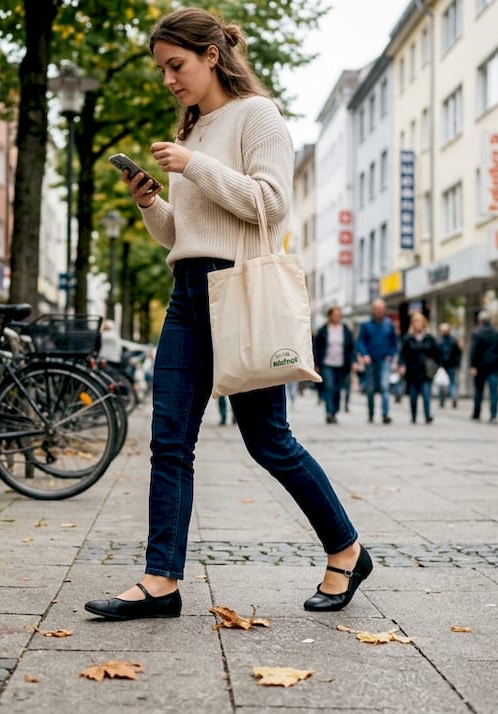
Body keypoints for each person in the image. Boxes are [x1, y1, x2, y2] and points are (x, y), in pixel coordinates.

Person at [84, 6, 370, 621]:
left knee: (269, 441)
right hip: (188, 294)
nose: (168, 80)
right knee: (168, 441)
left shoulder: (257, 116)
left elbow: (270, 204)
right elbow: (183, 235)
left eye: (176, 65)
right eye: (162, 69)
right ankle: (161, 581)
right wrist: (151, 203)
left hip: (239, 291)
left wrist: (197, 167)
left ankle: (346, 548)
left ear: (211, 55)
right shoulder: (190, 130)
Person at [355, 298, 397, 424]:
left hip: (384, 360)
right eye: (377, 309)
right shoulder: (366, 325)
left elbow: (394, 342)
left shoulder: (389, 324)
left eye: (381, 309)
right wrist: (364, 355)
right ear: (373, 310)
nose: (379, 311)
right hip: (370, 361)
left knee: (385, 387)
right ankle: (371, 414)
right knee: (370, 389)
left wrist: (391, 355)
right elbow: (360, 342)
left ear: (384, 310)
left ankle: (385, 414)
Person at [314, 306, 354, 424]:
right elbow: (316, 348)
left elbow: (351, 346)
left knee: (337, 390)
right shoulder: (323, 330)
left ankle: (335, 411)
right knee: (329, 387)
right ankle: (329, 413)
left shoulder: (345, 330)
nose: (337, 317)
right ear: (330, 316)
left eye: (339, 315)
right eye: (335, 315)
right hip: (327, 363)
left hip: (342, 364)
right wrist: (316, 364)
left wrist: (352, 361)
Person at [398, 311, 439, 424]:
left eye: (419, 322)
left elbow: (437, 353)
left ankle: (427, 416)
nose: (418, 325)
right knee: (413, 397)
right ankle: (414, 416)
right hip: (412, 371)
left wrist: (435, 366)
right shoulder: (408, 338)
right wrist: (402, 365)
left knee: (426, 395)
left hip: (426, 372)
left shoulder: (429, 338)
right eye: (415, 322)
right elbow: (402, 354)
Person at [469, 311, 498, 422]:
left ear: (480, 321)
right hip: (494, 367)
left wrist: (473, 366)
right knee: (494, 391)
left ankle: (477, 413)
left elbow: (474, 351)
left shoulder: (477, 333)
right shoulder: (497, 333)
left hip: (480, 367)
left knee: (478, 391)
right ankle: (493, 415)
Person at [435, 322, 462, 408]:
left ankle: (442, 401)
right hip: (451, 364)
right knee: (452, 382)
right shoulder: (453, 340)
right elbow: (458, 353)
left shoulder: (438, 340)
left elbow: (437, 353)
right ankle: (453, 396)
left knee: (442, 383)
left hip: (442, 365)